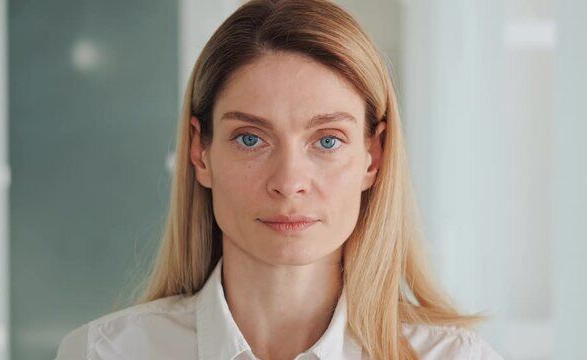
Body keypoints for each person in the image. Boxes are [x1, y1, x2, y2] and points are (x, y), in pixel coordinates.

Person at [55, 0, 503, 359]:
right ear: (200, 151)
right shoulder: (102, 353)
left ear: (373, 156)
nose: (289, 183)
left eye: (327, 141)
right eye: (251, 139)